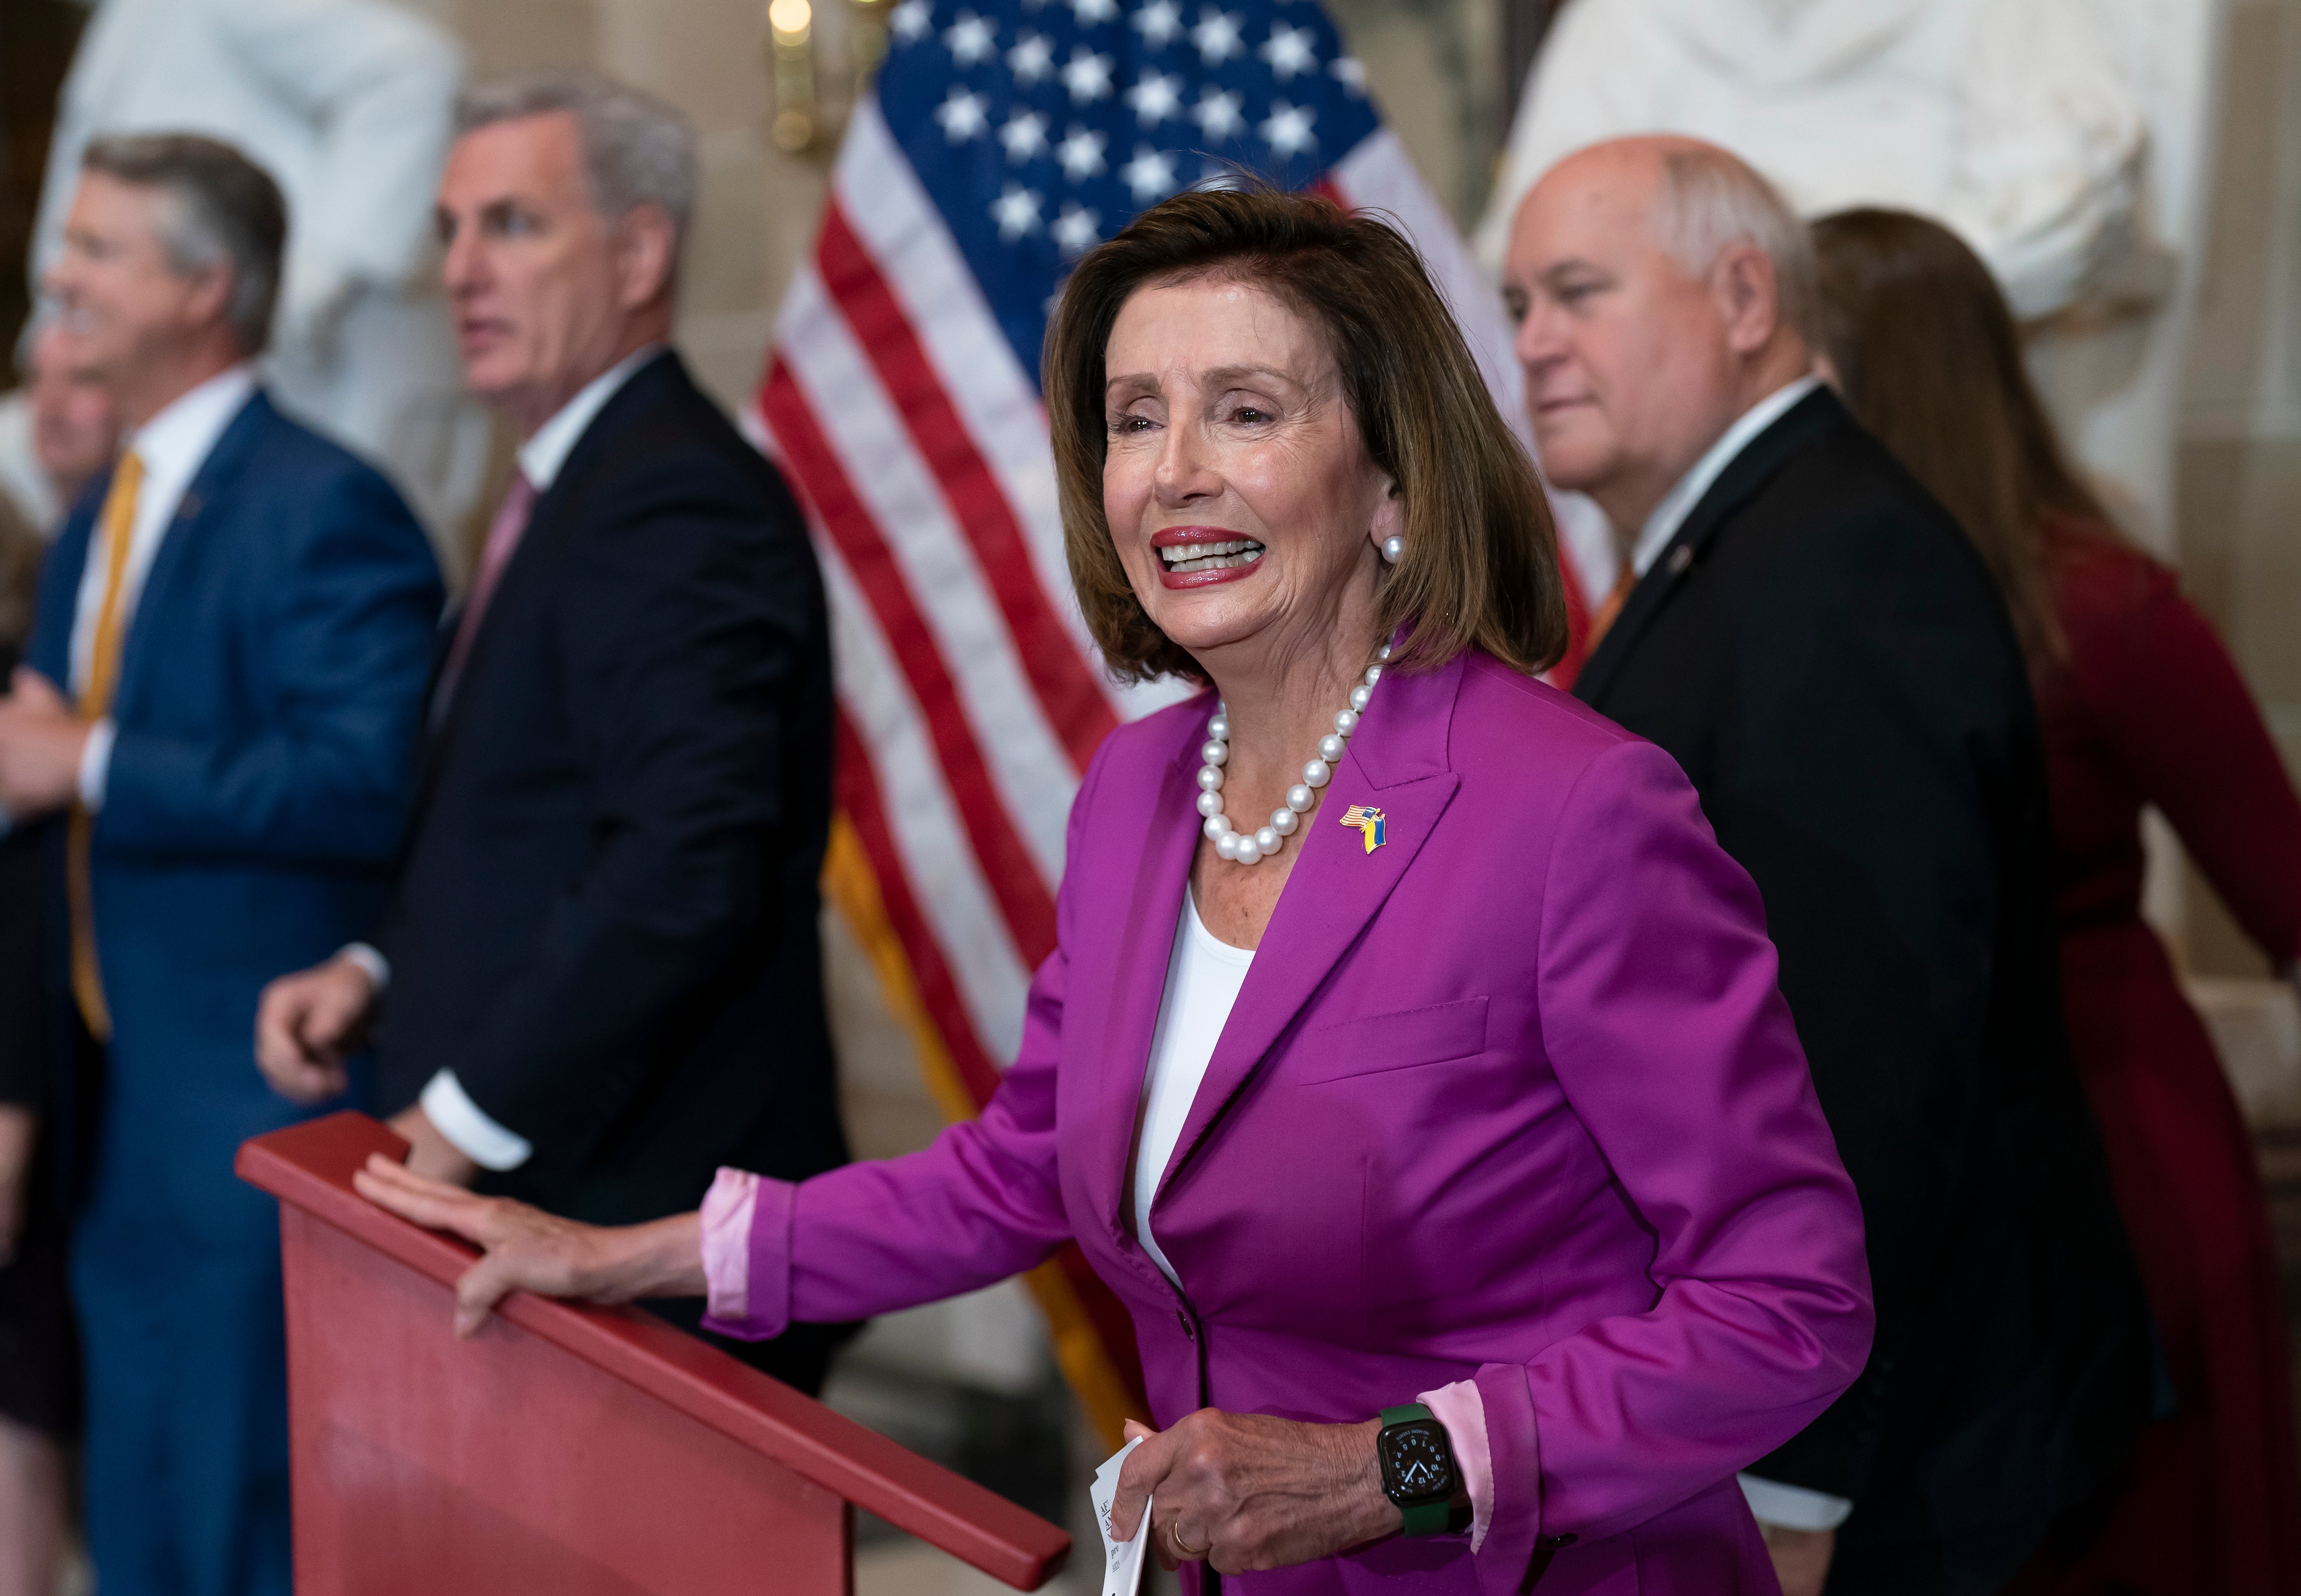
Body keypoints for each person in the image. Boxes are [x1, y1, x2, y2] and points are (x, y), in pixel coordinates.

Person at [356, 183, 1875, 1595]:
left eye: (1245, 411)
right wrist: (623, 1251)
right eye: (1132, 417)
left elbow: (1786, 1301)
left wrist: (1390, 1467)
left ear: (1391, 473)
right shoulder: (1137, 793)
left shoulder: (1574, 808)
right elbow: (1018, 1162)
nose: (1174, 471)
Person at [1504, 136, 2154, 1596]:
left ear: (1742, 295)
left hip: (1884, 1434)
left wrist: (1789, 1464)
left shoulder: (1835, 566)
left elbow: (1862, 1053)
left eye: (1576, 291)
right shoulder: (1733, 547)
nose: (1531, 341)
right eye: (1516, 302)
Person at [252, 72, 854, 1394]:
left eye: (513, 226)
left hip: (631, 1213)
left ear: (641, 250)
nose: (463, 270)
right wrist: (375, 966)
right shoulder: (571, 481)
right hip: (553, 1204)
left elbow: (684, 865)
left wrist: (457, 1122)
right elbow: (521, 823)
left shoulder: (675, 498)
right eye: (450, 231)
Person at [1809, 205, 2301, 1596]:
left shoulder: (2104, 607)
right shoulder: (1803, 604)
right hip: (1912, 1147)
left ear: (1876, 369)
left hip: (2113, 1124)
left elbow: (2289, 888)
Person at [0, 133, 442, 1596]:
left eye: (100, 247)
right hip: (116, 1118)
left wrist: (96, 758)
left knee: (250, 1521)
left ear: (205, 287)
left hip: (260, 1111)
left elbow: (361, 781)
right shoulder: (92, 526)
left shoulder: (323, 506)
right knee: (138, 1524)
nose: (59, 272)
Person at [26, 0, 489, 543]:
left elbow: (415, 76)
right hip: (213, 390)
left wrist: (304, 286)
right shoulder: (126, 19)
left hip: (322, 383)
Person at [0, 319, 118, 1596]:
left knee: (20, 1396)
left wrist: (12, 1112)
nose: (52, 407)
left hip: (56, 1043)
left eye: (85, 377)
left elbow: (26, 894)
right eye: (39, 380)